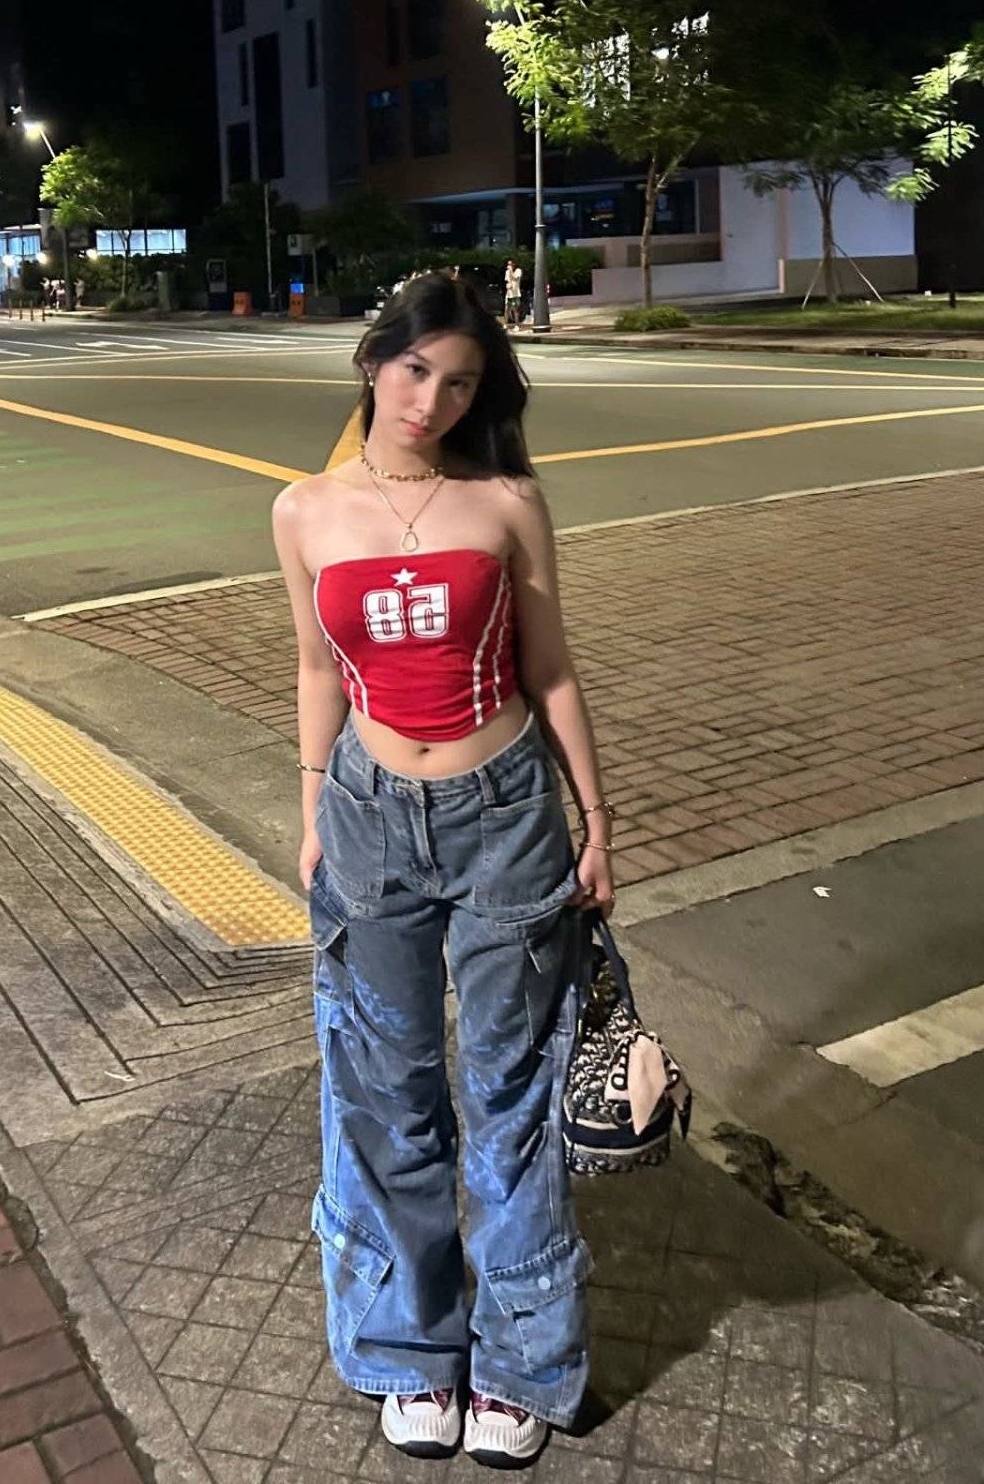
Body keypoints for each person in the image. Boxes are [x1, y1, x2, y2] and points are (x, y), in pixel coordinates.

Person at [272, 270, 615, 1468]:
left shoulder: (507, 502)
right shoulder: (303, 511)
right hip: (367, 814)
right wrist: (312, 810)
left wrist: (596, 819)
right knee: (388, 1090)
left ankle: (523, 1361)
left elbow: (551, 669)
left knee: (511, 1092)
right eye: (416, 370)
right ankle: (411, 1349)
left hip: (504, 812)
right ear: (375, 362)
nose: (432, 400)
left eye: (461, 383)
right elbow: (317, 669)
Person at [502, 258, 523, 328]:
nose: (509, 266)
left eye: (510, 264)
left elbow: (515, 278)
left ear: (514, 264)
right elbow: (507, 280)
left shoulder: (518, 271)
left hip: (515, 293)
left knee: (515, 309)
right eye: (508, 264)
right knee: (506, 309)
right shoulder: (507, 272)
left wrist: (511, 271)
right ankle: (505, 324)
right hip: (509, 293)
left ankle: (517, 325)